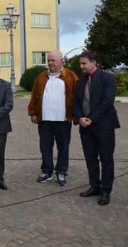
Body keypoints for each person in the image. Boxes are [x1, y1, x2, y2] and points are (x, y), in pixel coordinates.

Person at [74, 51, 120, 205]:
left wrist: (92, 119)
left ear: (94, 63)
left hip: (104, 126)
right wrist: (80, 117)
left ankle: (106, 191)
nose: (81, 66)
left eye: (84, 63)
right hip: (85, 127)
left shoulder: (107, 78)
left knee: (106, 159)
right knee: (90, 158)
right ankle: (95, 186)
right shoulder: (80, 81)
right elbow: (75, 103)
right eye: (80, 63)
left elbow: (108, 101)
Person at [28, 50, 78, 186]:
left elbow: (77, 97)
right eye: (48, 60)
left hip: (63, 119)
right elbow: (34, 96)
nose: (50, 63)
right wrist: (33, 112)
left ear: (61, 61)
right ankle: (47, 171)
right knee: (45, 146)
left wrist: (76, 115)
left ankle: (61, 172)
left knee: (63, 147)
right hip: (44, 119)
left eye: (53, 60)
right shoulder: (41, 77)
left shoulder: (71, 77)